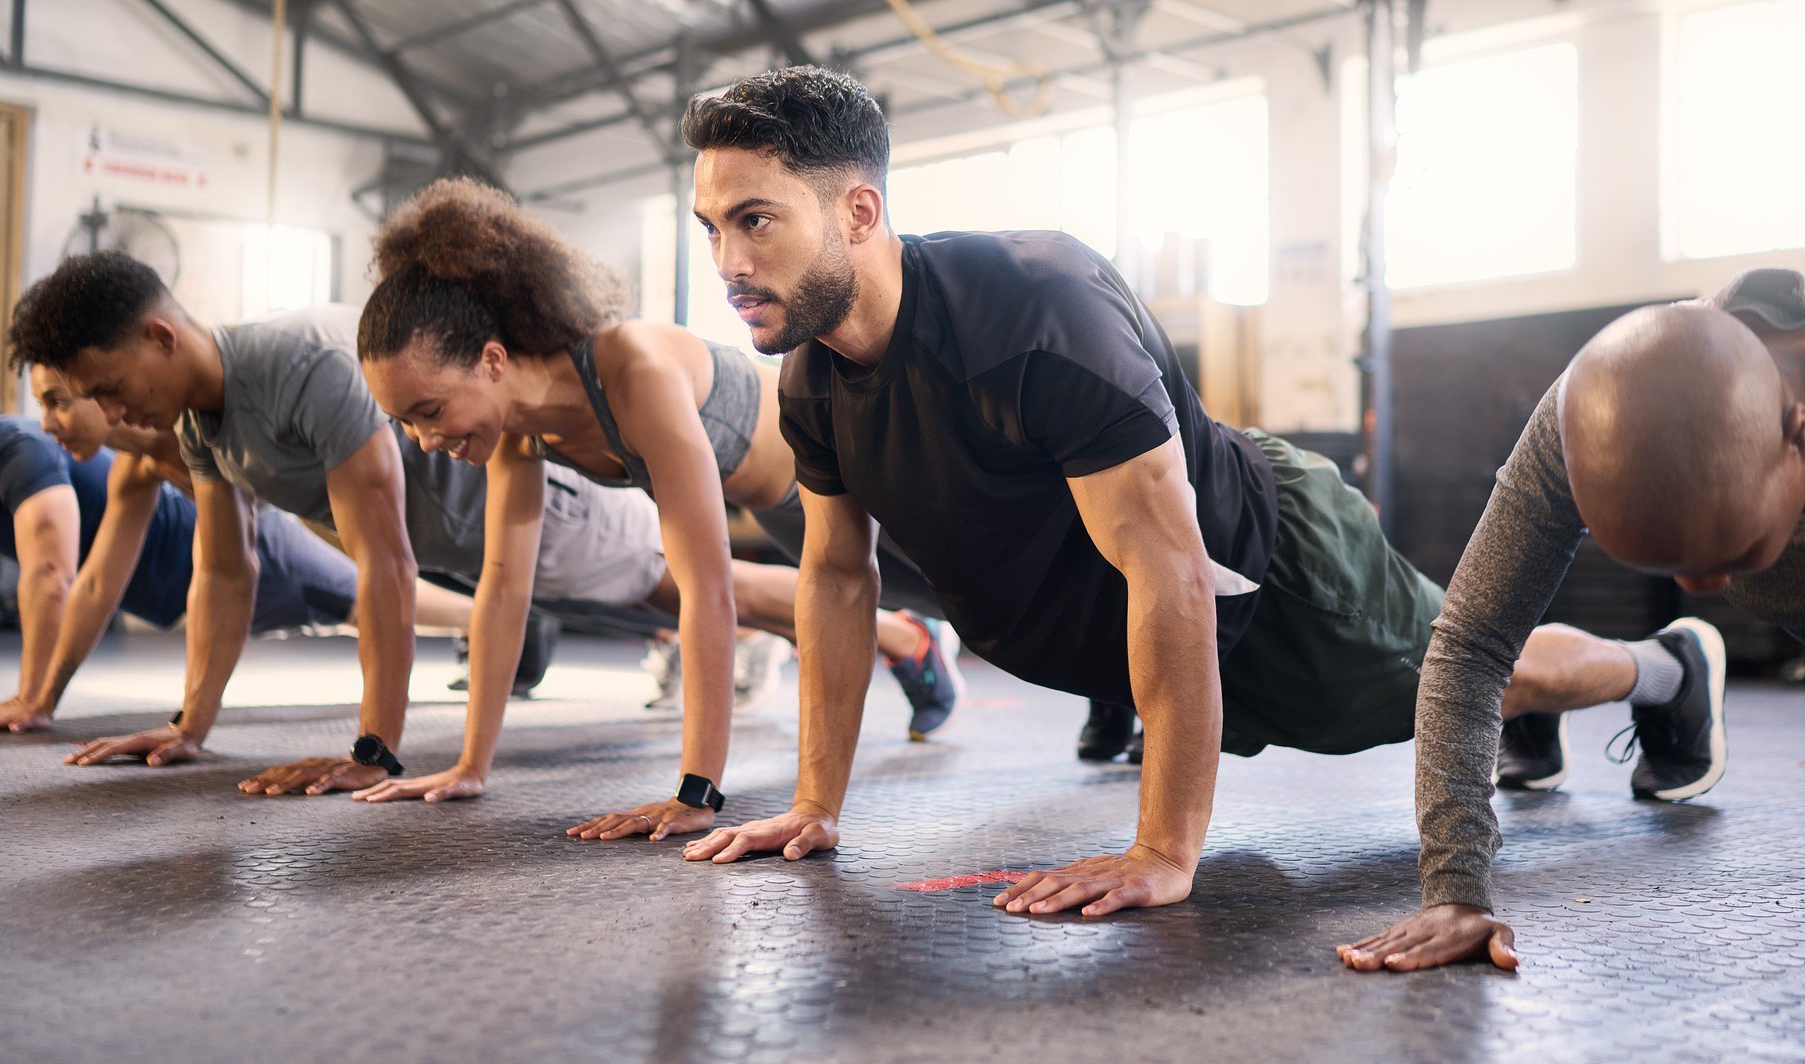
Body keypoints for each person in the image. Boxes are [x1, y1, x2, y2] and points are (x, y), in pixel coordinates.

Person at [668, 66, 1715, 923]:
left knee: (1468, 673)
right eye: (711, 226)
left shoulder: (1038, 312)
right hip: (1161, 632)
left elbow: (1170, 567)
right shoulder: (811, 380)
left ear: (859, 211)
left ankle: (1667, 669)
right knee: (1469, 685)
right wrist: (815, 803)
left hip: (1279, 585)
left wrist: (1164, 848)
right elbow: (838, 577)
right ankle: (1526, 713)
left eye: (755, 220)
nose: (727, 261)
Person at [347, 179, 964, 837]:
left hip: (859, 465)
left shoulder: (631, 367)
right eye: (405, 423)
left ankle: (1035, 672)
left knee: (992, 600)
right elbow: (503, 591)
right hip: (789, 512)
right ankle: (914, 639)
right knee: (900, 599)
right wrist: (470, 767)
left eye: (430, 412)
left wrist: (696, 791)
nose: (426, 441)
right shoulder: (521, 434)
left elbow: (706, 590)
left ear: (493, 360)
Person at [4, 257, 669, 794]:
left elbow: (384, 563)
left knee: (690, 590)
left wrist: (374, 749)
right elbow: (224, 572)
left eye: (111, 387)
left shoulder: (303, 363)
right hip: (471, 550)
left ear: (160, 337)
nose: (111, 411)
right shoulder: (198, 426)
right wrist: (188, 728)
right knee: (672, 599)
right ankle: (745, 626)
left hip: (546, 514)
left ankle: (764, 623)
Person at [1343, 271, 1804, 973]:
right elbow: (1469, 646)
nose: (1703, 586)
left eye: (1734, 552)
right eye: (1669, 566)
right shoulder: (1582, 417)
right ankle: (1667, 673)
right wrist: (1456, 887)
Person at [0, 347, 357, 732]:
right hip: (182, 582)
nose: (48, 422)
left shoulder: (16, 453)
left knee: (378, 598)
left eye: (60, 401)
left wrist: (30, 696)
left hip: (251, 546)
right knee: (374, 595)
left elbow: (52, 573)